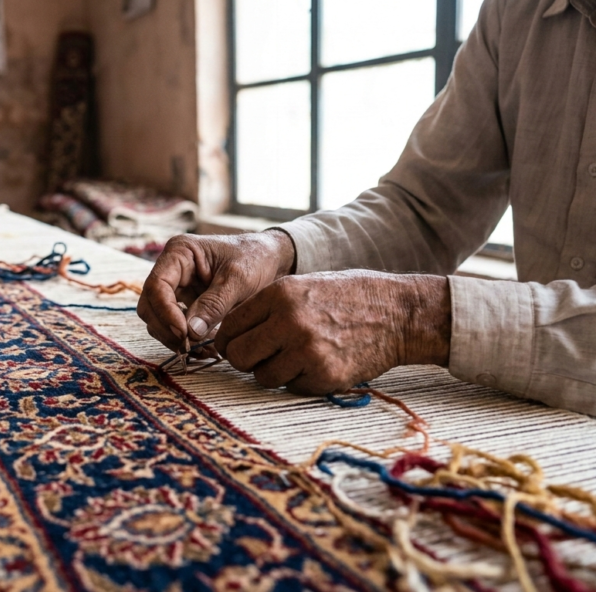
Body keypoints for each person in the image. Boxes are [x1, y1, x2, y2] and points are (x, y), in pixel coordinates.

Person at [138, 0, 596, 417]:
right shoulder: (516, 12)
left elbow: (411, 296)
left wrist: (413, 318)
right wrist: (277, 251)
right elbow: (424, 208)